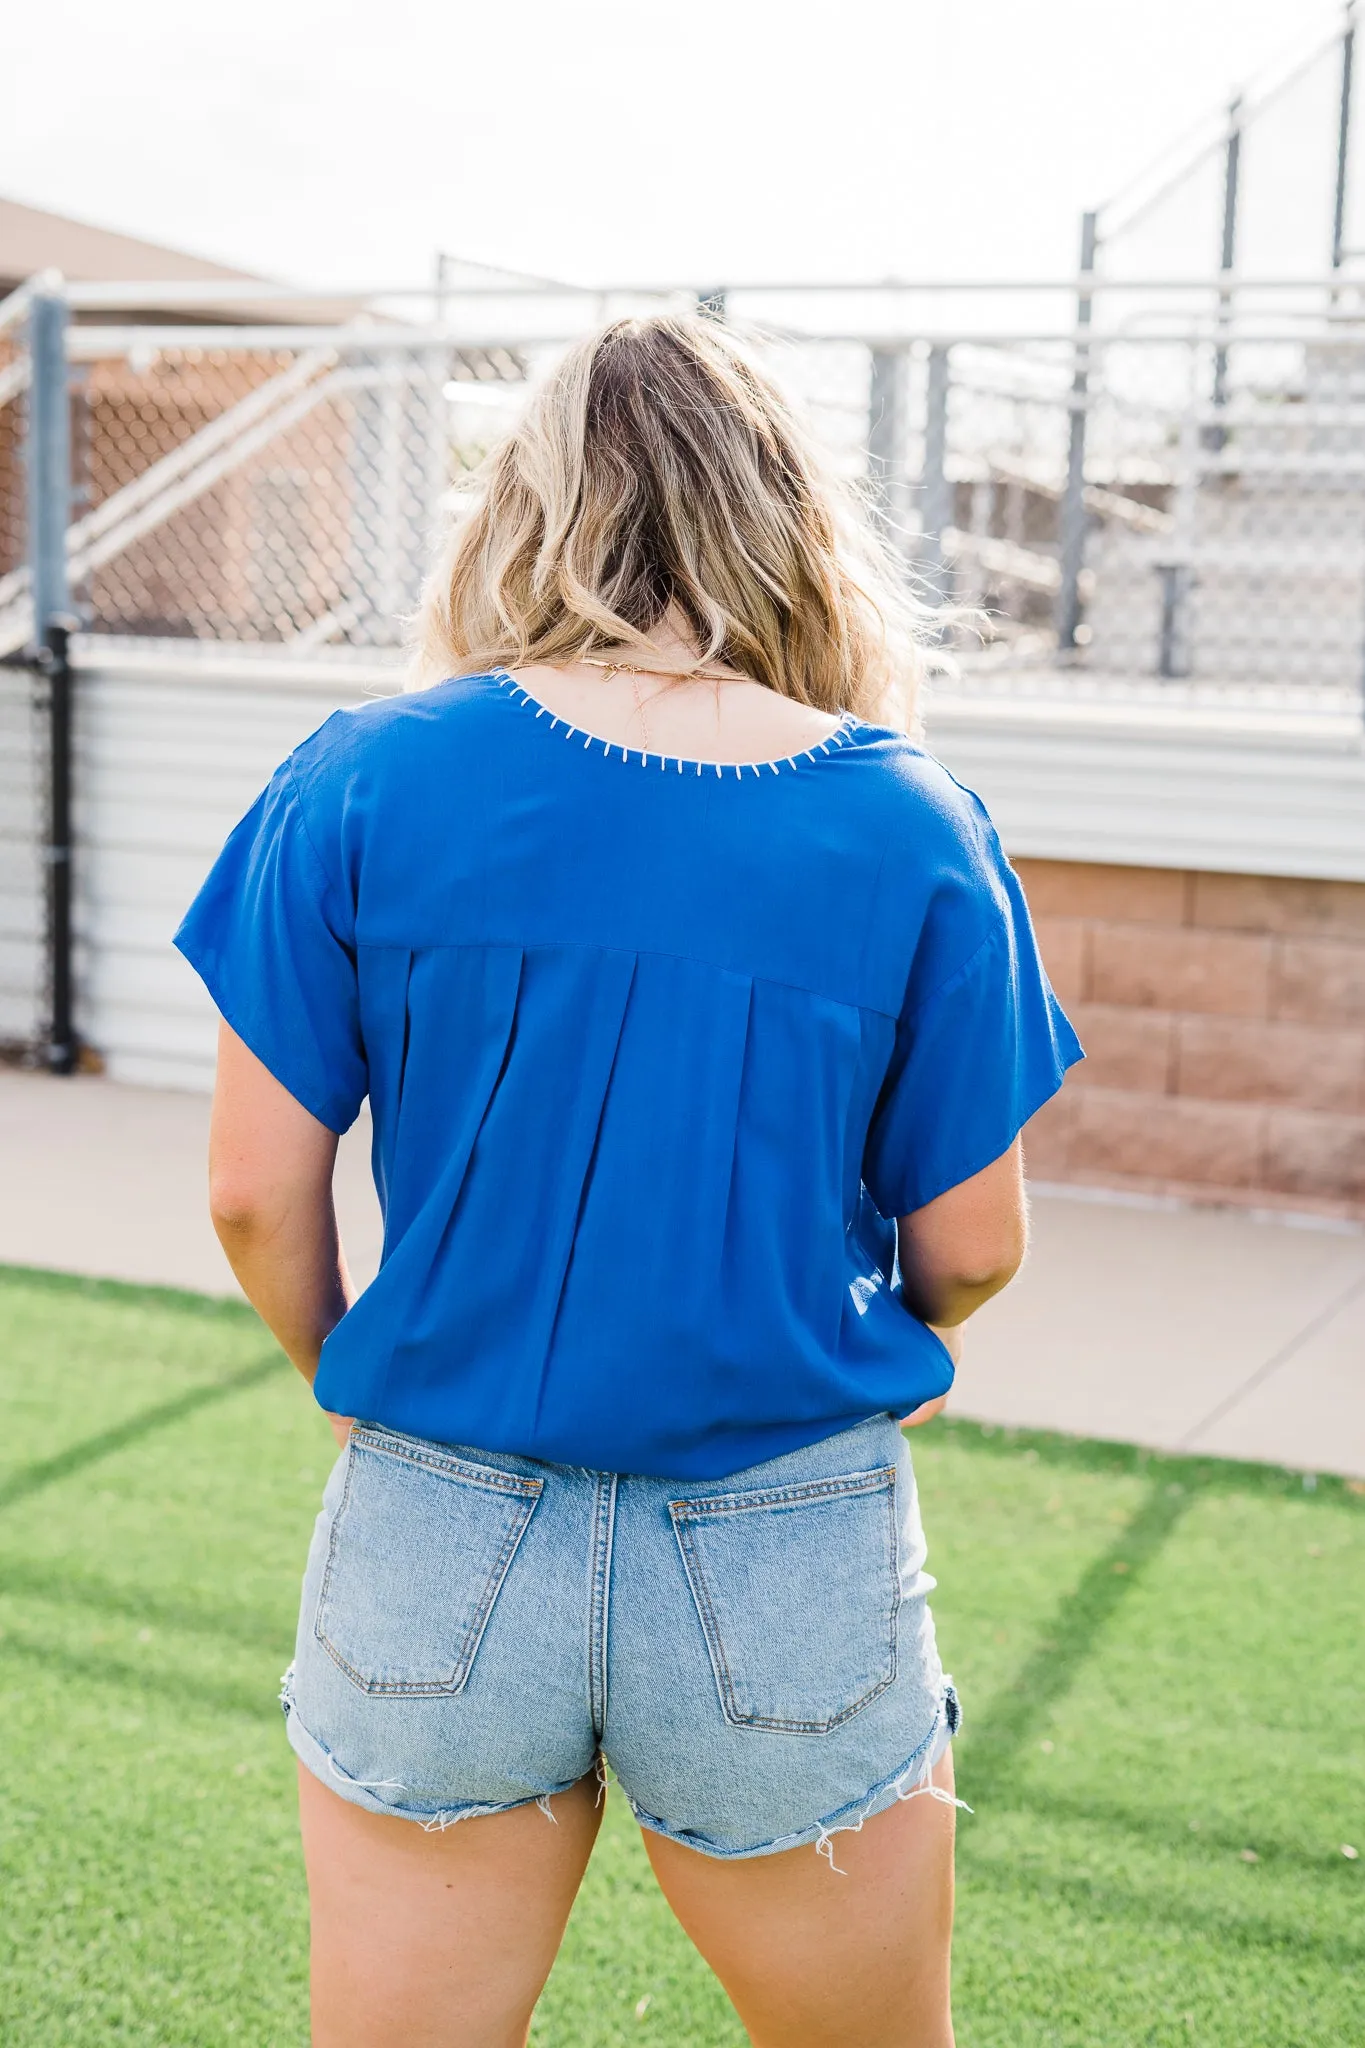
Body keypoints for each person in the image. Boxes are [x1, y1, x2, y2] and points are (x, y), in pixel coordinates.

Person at [176, 313, 1081, 2048]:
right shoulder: (913, 823)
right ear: (792, 518)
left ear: (524, 509)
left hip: (437, 1514)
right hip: (786, 1528)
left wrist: (355, 1379)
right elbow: (976, 1243)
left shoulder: (365, 774)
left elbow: (247, 1193)